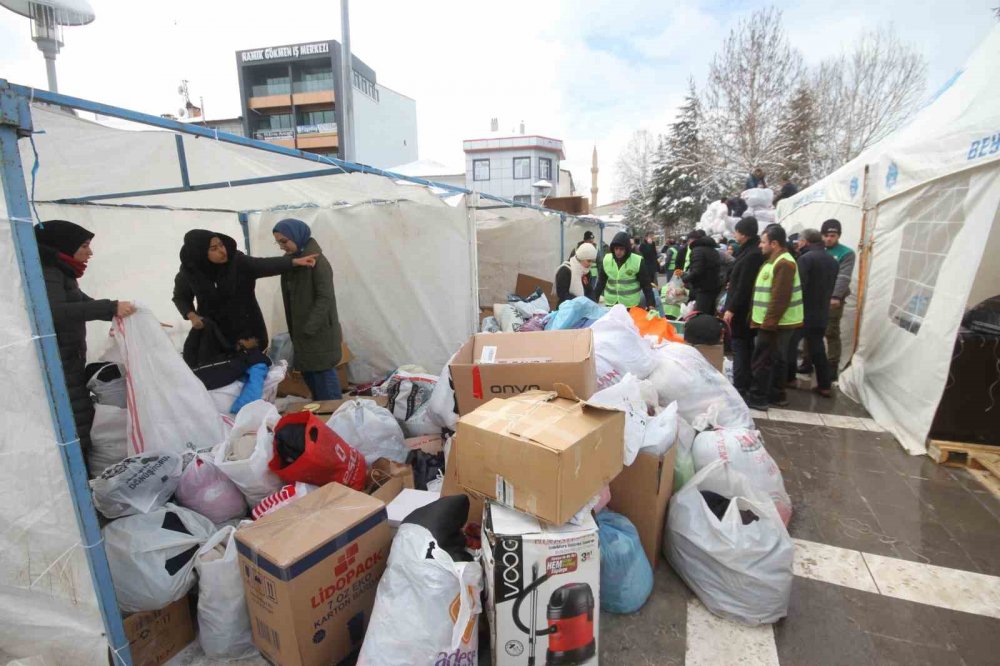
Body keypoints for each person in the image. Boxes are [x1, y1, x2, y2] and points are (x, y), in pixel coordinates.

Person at [34, 220, 136, 474]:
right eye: (84, 246)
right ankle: (81, 485)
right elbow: (55, 312)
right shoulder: (49, 271)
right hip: (58, 362)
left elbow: (81, 302)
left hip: (68, 359)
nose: (89, 252)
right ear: (64, 246)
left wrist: (117, 312)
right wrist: (110, 308)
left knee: (80, 422)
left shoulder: (60, 272)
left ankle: (87, 481)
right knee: (74, 427)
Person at [173, 229, 316, 368]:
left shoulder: (237, 261)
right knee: (223, 373)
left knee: (253, 368)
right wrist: (191, 315)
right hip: (215, 332)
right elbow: (180, 297)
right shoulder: (190, 270)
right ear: (200, 253)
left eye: (221, 245)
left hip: (246, 328)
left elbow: (263, 265)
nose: (222, 251)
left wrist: (294, 262)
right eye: (214, 248)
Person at [272, 219, 344, 400]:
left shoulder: (318, 263)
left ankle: (335, 419)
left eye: (284, 241)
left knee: (325, 382)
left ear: (297, 236)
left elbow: (325, 297)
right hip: (303, 334)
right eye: (278, 242)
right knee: (313, 380)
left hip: (318, 333)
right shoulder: (291, 263)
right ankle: (324, 419)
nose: (282, 246)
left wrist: (309, 327)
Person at [746, 224, 803, 410]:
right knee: (776, 359)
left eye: (763, 242)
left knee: (763, 360)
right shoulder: (774, 260)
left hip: (775, 324)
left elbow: (780, 297)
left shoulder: (784, 263)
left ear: (774, 243)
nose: (760, 246)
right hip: (774, 322)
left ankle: (758, 397)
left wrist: (769, 323)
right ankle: (776, 395)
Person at [799, 219, 856, 380]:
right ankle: (806, 361)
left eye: (833, 235)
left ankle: (832, 366)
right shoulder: (816, 251)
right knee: (809, 330)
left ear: (838, 236)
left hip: (832, 300)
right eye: (826, 235)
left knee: (831, 332)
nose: (829, 239)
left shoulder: (846, 253)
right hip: (815, 298)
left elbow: (844, 277)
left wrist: (836, 296)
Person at [789, 229, 839, 397]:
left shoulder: (805, 259)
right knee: (817, 348)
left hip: (802, 311)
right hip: (821, 312)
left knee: (791, 345)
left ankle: (789, 379)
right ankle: (825, 384)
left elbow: (799, 287)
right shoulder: (832, 260)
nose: (799, 243)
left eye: (800, 240)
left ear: (805, 241)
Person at [723, 217, 764, 394]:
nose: (735, 235)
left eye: (737, 231)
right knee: (742, 347)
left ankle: (740, 386)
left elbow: (744, 286)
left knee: (740, 347)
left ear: (744, 234)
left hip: (742, 311)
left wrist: (731, 308)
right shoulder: (747, 251)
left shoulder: (752, 254)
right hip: (741, 308)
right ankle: (743, 382)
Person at [594, 231, 656, 309]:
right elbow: (601, 283)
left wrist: (651, 304)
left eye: (621, 249)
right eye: (616, 249)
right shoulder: (607, 260)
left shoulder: (637, 261)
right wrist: (593, 301)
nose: (618, 252)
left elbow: (646, 285)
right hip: (611, 304)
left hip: (629, 305)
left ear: (627, 249)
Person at [681, 230, 722, 315]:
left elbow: (697, 271)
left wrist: (684, 280)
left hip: (702, 288)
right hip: (714, 287)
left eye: (688, 241)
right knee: (709, 314)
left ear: (692, 240)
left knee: (700, 315)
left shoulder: (697, 250)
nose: (688, 244)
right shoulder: (713, 250)